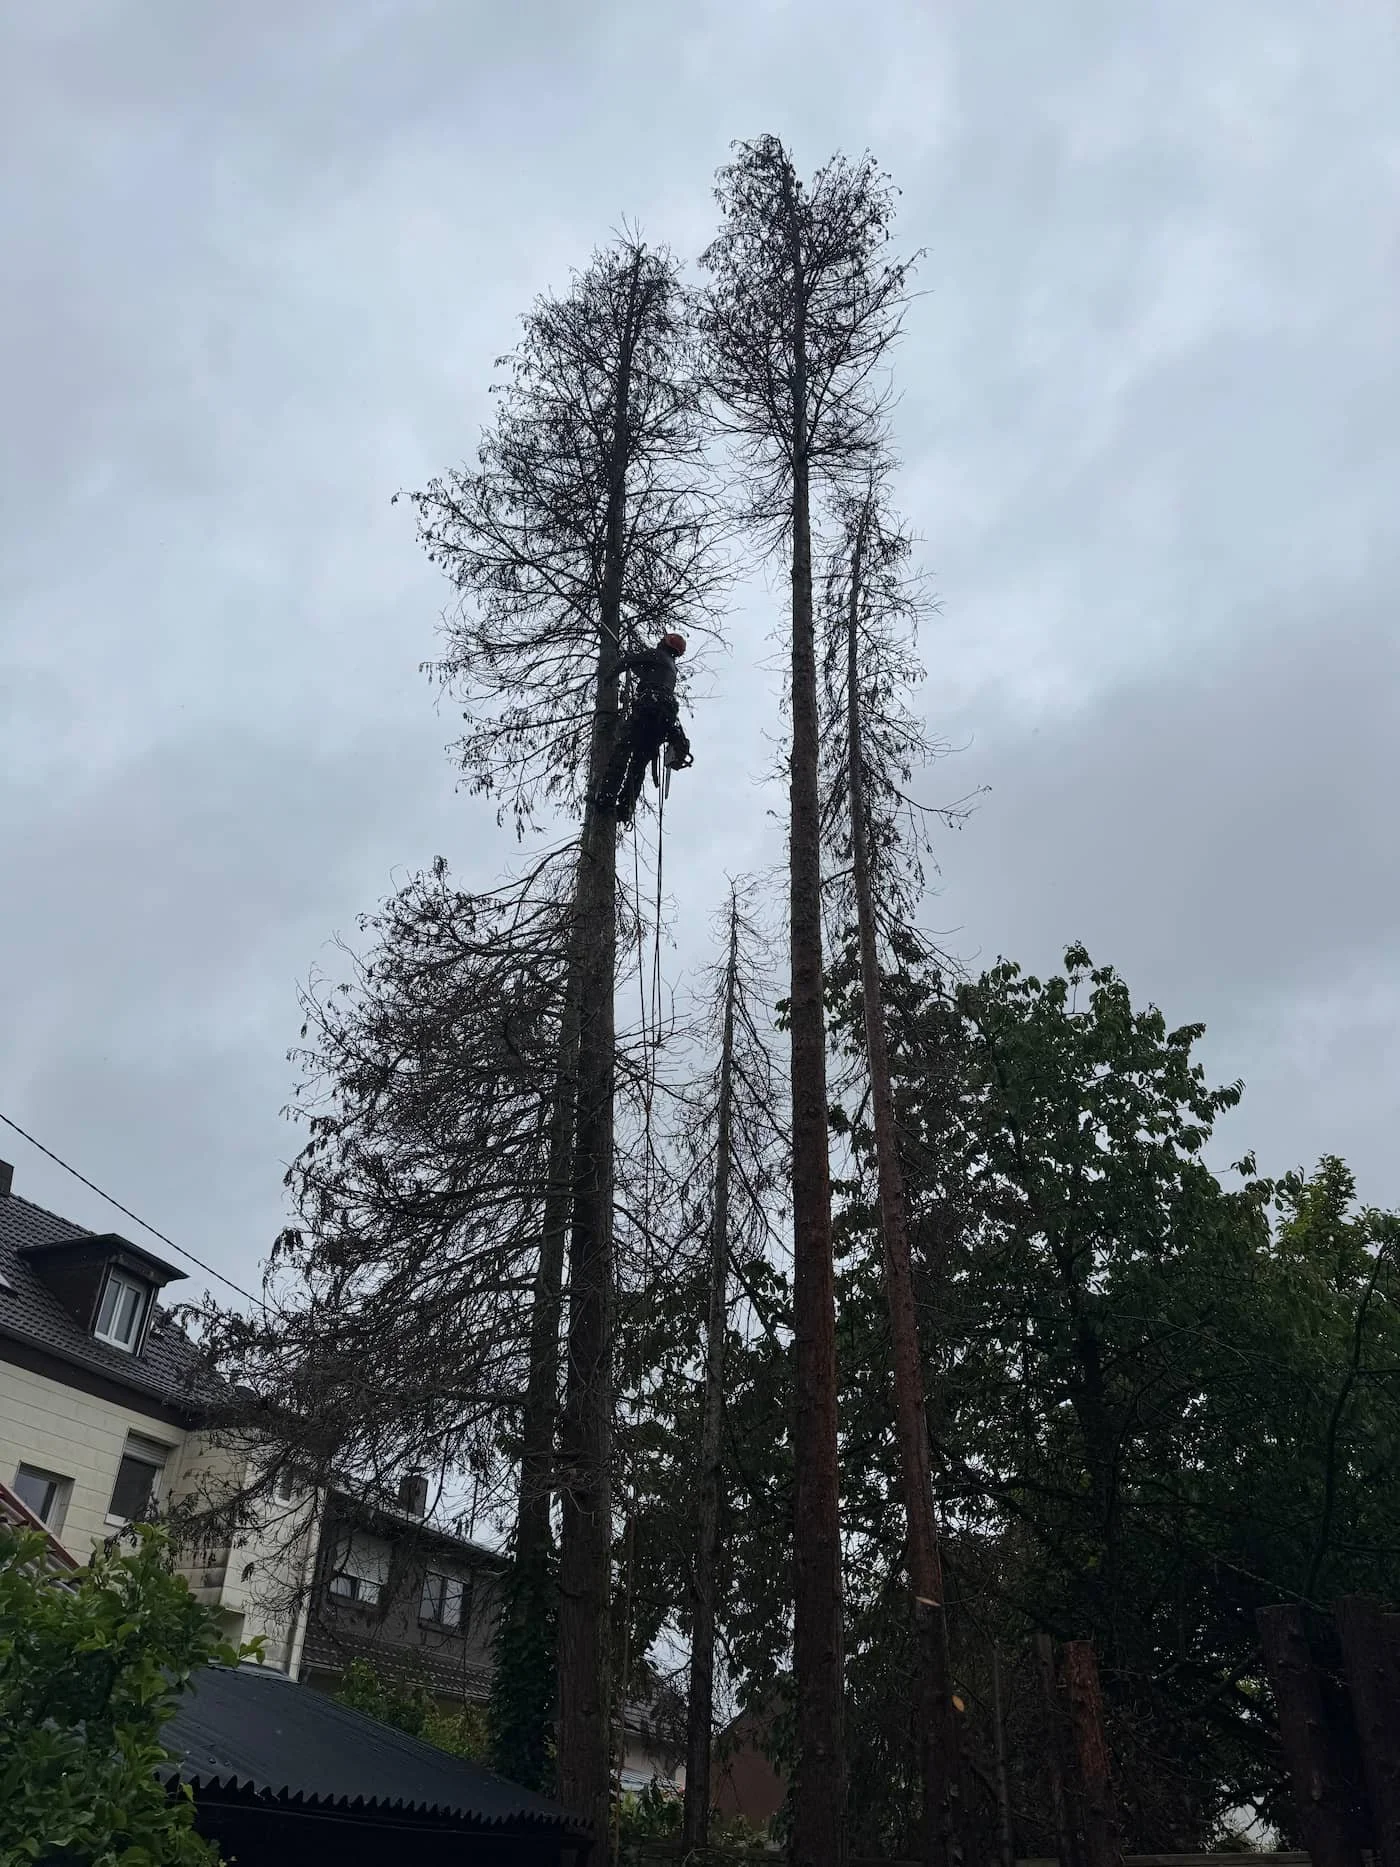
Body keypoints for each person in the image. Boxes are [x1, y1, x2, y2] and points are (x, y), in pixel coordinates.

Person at [594, 631, 693, 824]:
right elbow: (647, 674)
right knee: (638, 765)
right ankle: (624, 809)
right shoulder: (671, 668)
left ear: (664, 644)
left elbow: (628, 661)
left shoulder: (655, 655)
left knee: (622, 751)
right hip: (662, 722)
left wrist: (609, 676)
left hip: (647, 711)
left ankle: (605, 798)